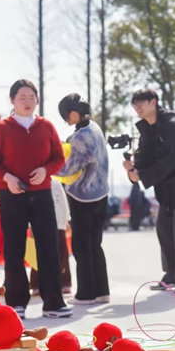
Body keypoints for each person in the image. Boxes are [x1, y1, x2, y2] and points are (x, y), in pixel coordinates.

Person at [0, 79, 71, 319]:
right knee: (14, 249)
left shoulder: (46, 126)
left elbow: (58, 157)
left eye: (31, 97)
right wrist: (7, 177)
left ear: (37, 100)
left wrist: (46, 171)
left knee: (49, 247)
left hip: (42, 194)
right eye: (22, 97)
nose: (27, 102)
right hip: (11, 195)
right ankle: (16, 302)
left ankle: (53, 303)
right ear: (12, 100)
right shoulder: (2, 128)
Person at [123, 88, 175, 294]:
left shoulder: (172, 126)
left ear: (153, 102)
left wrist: (142, 175)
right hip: (168, 190)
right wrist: (133, 168)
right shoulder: (146, 130)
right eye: (134, 105)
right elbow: (145, 160)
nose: (138, 108)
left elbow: (171, 160)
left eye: (141, 103)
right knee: (164, 229)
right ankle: (172, 274)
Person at [57, 94, 110, 305]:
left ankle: (86, 294)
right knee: (95, 244)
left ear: (72, 114)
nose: (66, 121)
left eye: (65, 117)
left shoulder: (80, 136)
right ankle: (101, 291)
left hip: (83, 197)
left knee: (81, 245)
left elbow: (69, 168)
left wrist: (48, 167)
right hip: (102, 193)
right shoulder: (95, 128)